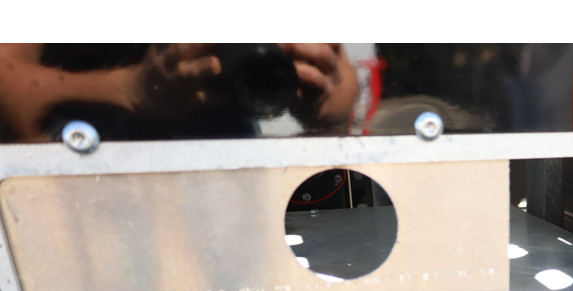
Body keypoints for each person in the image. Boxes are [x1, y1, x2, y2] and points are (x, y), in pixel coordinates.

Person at [0, 43, 359, 142]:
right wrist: (130, 90)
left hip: (237, 196)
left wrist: (319, 86)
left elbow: (343, 83)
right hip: (82, 186)